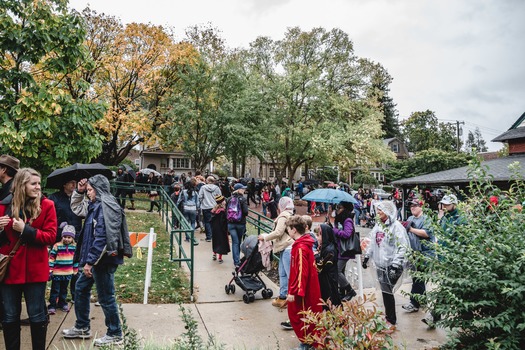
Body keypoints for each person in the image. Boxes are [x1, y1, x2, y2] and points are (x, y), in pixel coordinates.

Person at [63, 175, 132, 346]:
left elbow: (103, 238)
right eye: (87, 191)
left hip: (103, 262)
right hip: (95, 260)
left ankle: (115, 333)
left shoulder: (106, 207)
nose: (88, 194)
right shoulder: (96, 205)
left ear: (99, 189)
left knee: (106, 297)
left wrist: (90, 262)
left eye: (90, 190)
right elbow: (77, 208)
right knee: (80, 289)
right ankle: (82, 326)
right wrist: (79, 191)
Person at [0, 168, 57, 350]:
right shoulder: (3, 206)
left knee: (37, 315)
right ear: (21, 185)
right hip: (10, 271)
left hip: (35, 271)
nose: (38, 187)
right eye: (33, 183)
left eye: (39, 183)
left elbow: (50, 236)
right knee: (9, 316)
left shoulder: (47, 205)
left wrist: (26, 230)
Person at [362, 201, 409, 330]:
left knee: (387, 292)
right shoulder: (378, 226)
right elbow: (373, 242)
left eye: (380, 211)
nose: (378, 213)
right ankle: (389, 317)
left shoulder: (396, 227)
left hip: (392, 265)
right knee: (385, 292)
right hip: (381, 265)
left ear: (387, 212)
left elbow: (402, 247)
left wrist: (395, 264)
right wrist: (367, 256)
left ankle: (391, 321)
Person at [422, 194, 463, 328]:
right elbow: (439, 236)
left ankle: (434, 317)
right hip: (444, 259)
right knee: (450, 290)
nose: (444, 206)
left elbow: (462, 241)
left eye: (447, 204)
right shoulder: (444, 218)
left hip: (455, 261)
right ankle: (435, 317)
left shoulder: (460, 220)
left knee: (447, 289)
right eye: (443, 204)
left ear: (454, 204)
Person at [286, 215, 322, 350]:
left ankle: (306, 343)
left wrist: (295, 291)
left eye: (289, 229)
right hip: (307, 287)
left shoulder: (300, 247)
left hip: (303, 290)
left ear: (294, 229)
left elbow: (302, 272)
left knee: (302, 314)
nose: (288, 231)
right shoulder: (303, 244)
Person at [258, 196, 295, 308]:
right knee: (283, 273)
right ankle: (283, 296)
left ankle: (289, 298)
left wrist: (265, 238)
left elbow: (278, 232)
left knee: (287, 274)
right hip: (285, 247)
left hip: (287, 247)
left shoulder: (283, 216)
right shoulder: (290, 215)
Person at [401, 199, 434, 314]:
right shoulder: (410, 219)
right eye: (411, 206)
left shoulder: (427, 219)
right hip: (413, 253)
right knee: (417, 278)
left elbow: (427, 233)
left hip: (424, 253)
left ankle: (414, 303)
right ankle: (422, 299)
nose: (412, 207)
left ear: (421, 207)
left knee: (418, 278)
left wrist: (411, 229)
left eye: (415, 205)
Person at [48, 224, 78, 314]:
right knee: (55, 290)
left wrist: (75, 269)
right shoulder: (57, 245)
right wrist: (50, 269)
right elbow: (51, 258)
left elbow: (76, 259)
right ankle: (52, 305)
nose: (66, 239)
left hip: (67, 273)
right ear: (62, 237)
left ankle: (62, 303)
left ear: (72, 238)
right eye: (65, 236)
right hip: (57, 272)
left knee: (64, 289)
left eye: (69, 237)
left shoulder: (74, 247)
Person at [332, 201, 357, 301]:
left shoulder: (348, 220)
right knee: (341, 271)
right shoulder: (340, 220)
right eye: (337, 207)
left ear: (345, 209)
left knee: (336, 271)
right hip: (340, 249)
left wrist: (334, 230)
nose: (338, 209)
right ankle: (342, 292)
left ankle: (350, 290)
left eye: (340, 208)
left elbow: (347, 234)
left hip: (345, 250)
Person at [315, 224, 342, 309]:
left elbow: (323, 266)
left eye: (319, 235)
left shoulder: (329, 250)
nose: (317, 238)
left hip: (329, 280)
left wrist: (316, 257)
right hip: (327, 279)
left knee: (331, 300)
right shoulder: (325, 247)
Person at [226, 183, 249, 268]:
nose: (244, 190)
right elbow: (246, 212)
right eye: (243, 189)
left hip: (231, 224)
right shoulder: (242, 199)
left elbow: (226, 212)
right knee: (238, 241)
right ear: (239, 190)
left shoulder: (229, 199)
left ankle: (236, 262)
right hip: (240, 223)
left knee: (235, 242)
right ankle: (238, 260)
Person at [199, 176, 222, 242]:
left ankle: (209, 237)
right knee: (214, 221)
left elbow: (200, 197)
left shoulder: (203, 187)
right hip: (215, 206)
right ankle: (215, 236)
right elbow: (220, 197)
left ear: (207, 181)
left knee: (207, 222)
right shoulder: (217, 188)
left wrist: (202, 202)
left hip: (205, 207)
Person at [177, 178, 200, 243]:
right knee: (193, 223)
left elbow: (179, 200)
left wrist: (177, 206)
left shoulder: (183, 192)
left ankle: (187, 238)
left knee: (186, 223)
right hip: (193, 208)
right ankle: (191, 236)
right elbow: (197, 202)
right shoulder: (195, 193)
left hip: (185, 208)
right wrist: (198, 209)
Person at [210, 195, 230, 263]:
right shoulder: (222, 211)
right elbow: (223, 222)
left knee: (215, 241)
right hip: (221, 230)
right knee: (221, 243)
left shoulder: (214, 210)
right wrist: (226, 229)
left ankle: (214, 254)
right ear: (222, 202)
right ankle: (220, 258)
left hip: (214, 229)